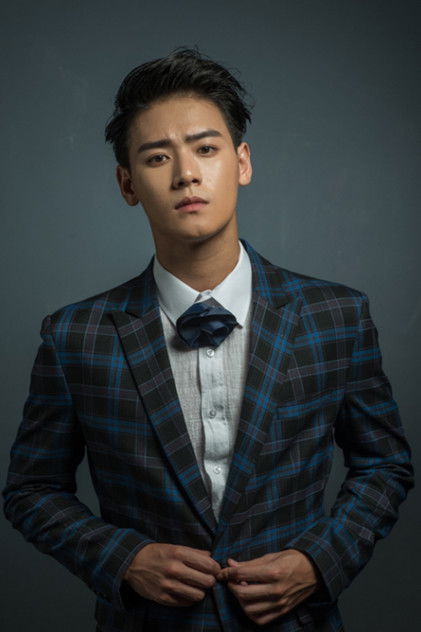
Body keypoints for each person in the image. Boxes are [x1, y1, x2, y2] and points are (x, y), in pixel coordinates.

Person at [3, 48, 413, 632]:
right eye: (157, 157)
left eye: (205, 149)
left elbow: (385, 465)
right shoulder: (75, 336)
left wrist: (318, 562)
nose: (186, 174)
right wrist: (125, 559)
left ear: (242, 162)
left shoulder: (337, 316)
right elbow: (31, 489)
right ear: (127, 184)